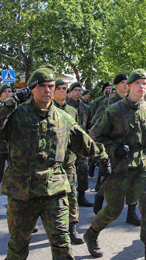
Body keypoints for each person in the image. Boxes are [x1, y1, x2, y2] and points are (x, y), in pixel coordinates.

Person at [0, 68, 109, 260]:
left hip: (55, 188)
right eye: (42, 86)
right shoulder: (16, 115)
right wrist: (9, 103)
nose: (48, 90)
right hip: (22, 189)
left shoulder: (63, 117)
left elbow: (83, 141)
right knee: (19, 241)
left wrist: (103, 157)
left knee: (62, 242)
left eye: (51, 85)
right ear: (31, 89)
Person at [84, 69, 146, 260]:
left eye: (145, 83)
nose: (143, 87)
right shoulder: (113, 111)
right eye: (138, 83)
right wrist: (114, 149)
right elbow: (93, 136)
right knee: (113, 210)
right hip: (119, 168)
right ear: (129, 86)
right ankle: (92, 233)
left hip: (142, 166)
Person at [92, 73, 142, 226]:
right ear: (115, 85)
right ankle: (100, 195)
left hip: (132, 150)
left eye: (128, 82)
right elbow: (96, 127)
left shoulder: (135, 101)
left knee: (133, 181)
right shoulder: (108, 104)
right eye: (122, 82)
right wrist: (112, 147)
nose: (126, 85)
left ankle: (132, 213)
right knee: (112, 179)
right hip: (114, 151)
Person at [51, 79, 84, 244]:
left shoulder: (72, 111)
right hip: (51, 163)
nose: (63, 91)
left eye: (65, 89)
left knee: (72, 193)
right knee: (50, 197)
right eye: (59, 89)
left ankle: (72, 228)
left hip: (69, 159)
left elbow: (78, 134)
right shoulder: (47, 110)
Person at [67, 82, 93, 207]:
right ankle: (68, 197)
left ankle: (81, 196)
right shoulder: (64, 108)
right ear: (70, 91)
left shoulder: (86, 108)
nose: (78, 92)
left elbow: (89, 125)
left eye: (79, 90)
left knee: (83, 170)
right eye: (75, 90)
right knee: (68, 172)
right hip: (68, 145)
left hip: (81, 144)